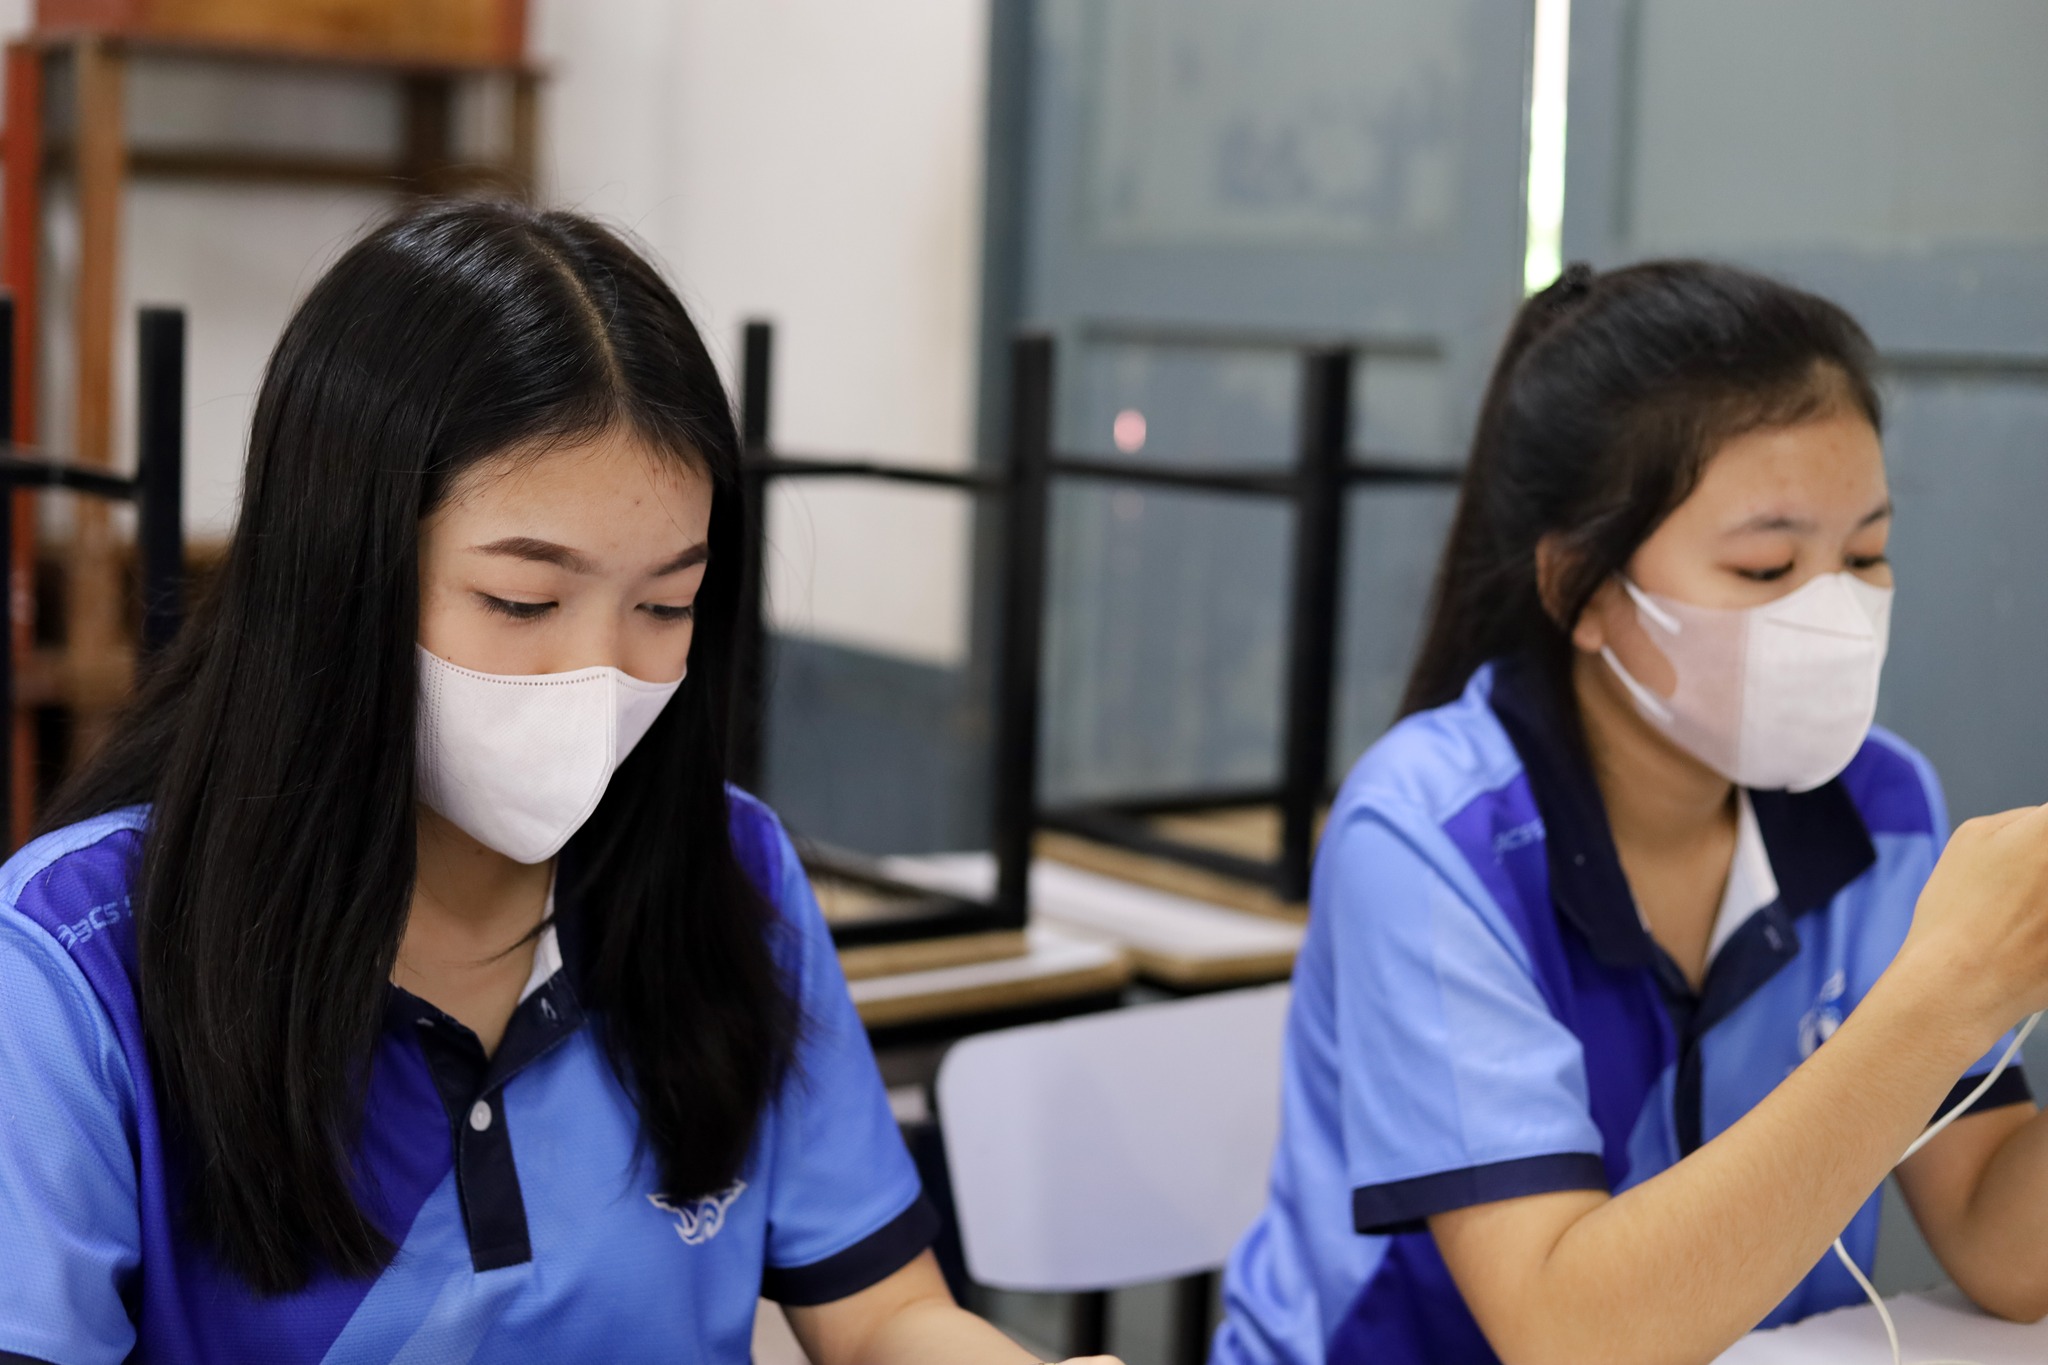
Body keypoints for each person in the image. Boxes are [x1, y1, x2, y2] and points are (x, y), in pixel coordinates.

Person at [0, 200, 1111, 1365]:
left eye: (664, 605)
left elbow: (885, 1315)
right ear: (341, 575)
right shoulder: (77, 969)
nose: (597, 676)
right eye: (522, 603)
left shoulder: (729, 872)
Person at [1213, 261, 2048, 1365]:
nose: (1835, 614)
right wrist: (1941, 995)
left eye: (1863, 555)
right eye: (1764, 567)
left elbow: (2001, 1235)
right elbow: (1566, 1330)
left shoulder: (1877, 805)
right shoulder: (1424, 834)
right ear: (1583, 592)